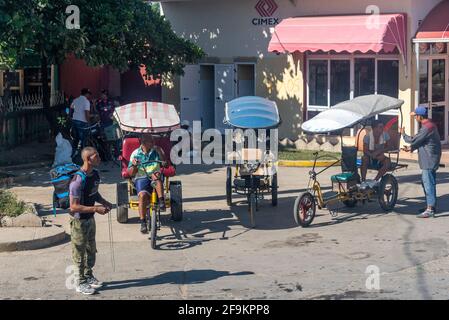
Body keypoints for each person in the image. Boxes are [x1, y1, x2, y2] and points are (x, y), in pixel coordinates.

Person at [69, 146, 112, 295]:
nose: (99, 158)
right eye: (97, 156)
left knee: (91, 250)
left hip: (90, 220)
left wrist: (104, 202)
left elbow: (94, 192)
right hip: (79, 222)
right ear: (88, 159)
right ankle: (80, 282)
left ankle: (88, 276)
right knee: (79, 254)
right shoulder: (78, 180)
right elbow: (73, 206)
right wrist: (95, 209)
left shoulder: (95, 175)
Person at [401, 106, 442, 218]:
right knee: (428, 183)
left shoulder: (426, 128)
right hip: (431, 158)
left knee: (428, 184)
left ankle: (430, 209)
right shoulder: (430, 125)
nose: (415, 118)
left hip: (428, 160)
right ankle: (431, 206)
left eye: (415, 116)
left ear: (419, 116)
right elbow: (424, 142)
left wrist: (403, 134)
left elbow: (414, 140)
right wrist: (411, 148)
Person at [127, 134, 167, 234]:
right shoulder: (135, 153)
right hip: (141, 177)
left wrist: (160, 152)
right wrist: (135, 165)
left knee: (156, 177)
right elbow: (131, 172)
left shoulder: (156, 150)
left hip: (155, 175)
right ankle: (143, 223)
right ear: (143, 143)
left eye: (153, 141)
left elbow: (164, 164)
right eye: (151, 141)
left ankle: (162, 201)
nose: (154, 143)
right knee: (142, 196)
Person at [360, 119, 391, 188]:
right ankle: (363, 181)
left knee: (388, 162)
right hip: (369, 156)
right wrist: (372, 155)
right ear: (374, 128)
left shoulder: (385, 134)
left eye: (382, 127)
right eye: (380, 127)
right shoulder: (367, 136)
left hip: (380, 155)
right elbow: (365, 150)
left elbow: (389, 146)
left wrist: (379, 152)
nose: (382, 129)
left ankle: (375, 181)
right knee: (364, 158)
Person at [71, 88, 92, 152]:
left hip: (74, 121)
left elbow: (71, 109)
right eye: (88, 94)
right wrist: (89, 123)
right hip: (82, 122)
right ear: (86, 94)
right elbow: (87, 114)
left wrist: (71, 117)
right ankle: (83, 154)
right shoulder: (86, 101)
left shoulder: (75, 100)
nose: (89, 96)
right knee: (83, 139)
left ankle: (73, 154)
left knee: (76, 139)